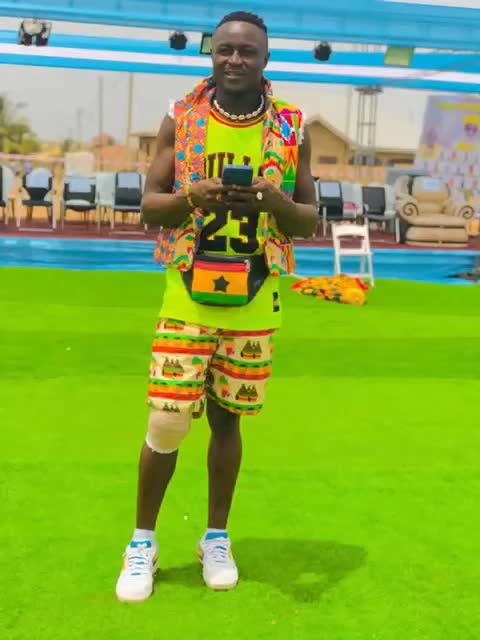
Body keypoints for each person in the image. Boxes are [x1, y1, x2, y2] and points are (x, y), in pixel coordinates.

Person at [115, 10, 317, 603]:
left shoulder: (292, 127)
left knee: (228, 420)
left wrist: (275, 201)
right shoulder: (181, 118)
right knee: (167, 419)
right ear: (211, 54)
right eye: (225, 48)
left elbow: (309, 221)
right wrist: (191, 196)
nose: (234, 59)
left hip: (254, 296)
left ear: (265, 59)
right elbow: (148, 207)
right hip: (188, 293)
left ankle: (216, 538)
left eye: (247, 51)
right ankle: (142, 543)